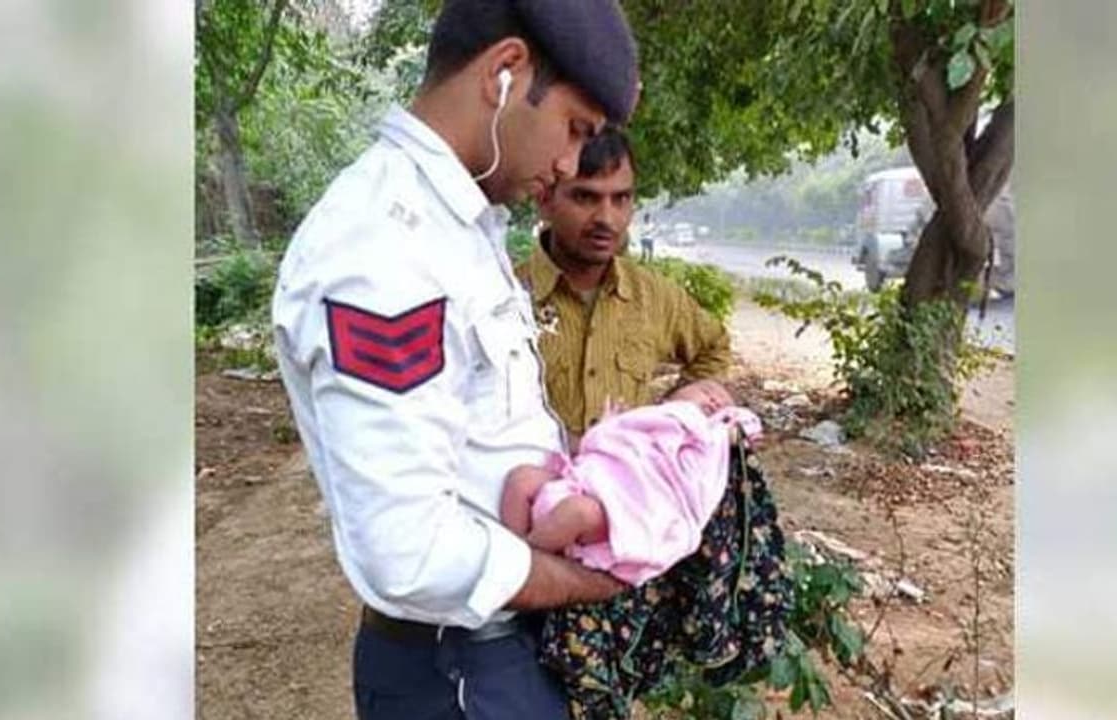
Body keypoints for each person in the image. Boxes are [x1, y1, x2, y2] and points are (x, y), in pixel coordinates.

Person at [270, 1, 639, 718]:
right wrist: (593, 582)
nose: (569, 163)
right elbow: (407, 553)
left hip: (496, 653)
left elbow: (481, 435)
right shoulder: (384, 249)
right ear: (505, 72)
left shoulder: (455, 225)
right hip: (459, 671)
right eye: (574, 129)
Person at [516, 128, 732, 443]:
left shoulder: (654, 296)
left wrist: (674, 416)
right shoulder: (506, 297)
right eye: (585, 197)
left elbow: (713, 346)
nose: (607, 218)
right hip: (533, 475)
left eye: (621, 198)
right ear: (545, 200)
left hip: (633, 474)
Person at [499, 378, 760, 587]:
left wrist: (730, 428)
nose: (715, 399)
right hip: (583, 479)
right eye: (706, 390)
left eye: (724, 404)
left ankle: (522, 568)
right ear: (668, 398)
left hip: (621, 509)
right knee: (522, 479)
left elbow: (747, 426)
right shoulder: (642, 420)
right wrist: (606, 427)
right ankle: (511, 543)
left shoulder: (704, 441)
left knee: (577, 511)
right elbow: (602, 445)